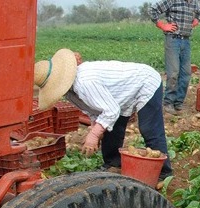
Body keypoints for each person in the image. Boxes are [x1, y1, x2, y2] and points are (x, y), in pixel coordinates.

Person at [33, 49, 174, 186]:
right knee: (112, 128)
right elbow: (95, 109)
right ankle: (113, 163)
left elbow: (111, 110)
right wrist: (96, 127)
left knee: (149, 128)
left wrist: (94, 134)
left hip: (145, 81)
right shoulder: (70, 92)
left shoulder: (84, 82)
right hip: (118, 93)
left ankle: (164, 173)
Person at [148, 0, 200, 116]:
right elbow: (153, 9)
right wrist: (162, 25)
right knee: (173, 73)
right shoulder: (172, 1)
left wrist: (196, 20)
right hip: (173, 39)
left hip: (186, 41)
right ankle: (168, 103)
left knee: (186, 74)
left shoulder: (193, 3)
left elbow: (199, 12)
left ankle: (178, 103)